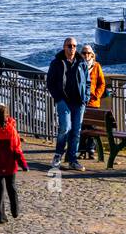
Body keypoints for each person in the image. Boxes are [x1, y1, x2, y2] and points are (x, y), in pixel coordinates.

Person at [45, 36, 91, 171]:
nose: (72, 48)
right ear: (64, 47)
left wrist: (85, 98)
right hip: (63, 101)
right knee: (65, 127)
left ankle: (72, 160)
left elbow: (88, 82)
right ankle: (58, 155)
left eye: (74, 46)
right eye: (69, 46)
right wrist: (58, 98)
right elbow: (50, 82)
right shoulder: (57, 62)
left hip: (79, 102)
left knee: (76, 131)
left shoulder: (81, 62)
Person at [0, 103, 28, 223]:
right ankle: (15, 210)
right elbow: (17, 149)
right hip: (10, 164)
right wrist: (23, 164)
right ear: (6, 115)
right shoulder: (11, 130)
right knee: (11, 187)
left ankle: (0, 215)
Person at [78, 44, 106, 159]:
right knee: (82, 127)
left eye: (89, 53)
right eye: (84, 53)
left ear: (92, 55)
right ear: (81, 54)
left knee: (92, 127)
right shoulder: (78, 66)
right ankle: (82, 150)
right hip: (81, 101)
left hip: (93, 103)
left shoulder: (96, 66)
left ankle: (91, 150)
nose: (86, 55)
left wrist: (96, 95)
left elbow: (102, 83)